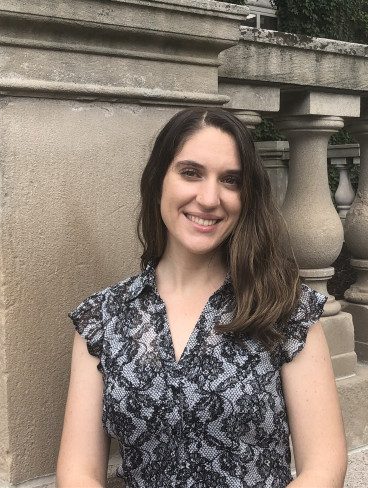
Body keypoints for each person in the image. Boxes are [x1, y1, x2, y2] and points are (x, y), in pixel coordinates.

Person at [56, 107, 347, 487]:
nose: (209, 198)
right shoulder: (104, 319)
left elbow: (324, 466)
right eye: (191, 172)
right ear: (159, 179)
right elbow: (77, 472)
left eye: (230, 180)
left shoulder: (286, 311)